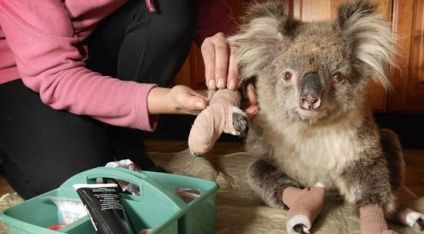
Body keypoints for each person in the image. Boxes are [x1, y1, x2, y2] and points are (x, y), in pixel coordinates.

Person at [0, 0, 258, 199]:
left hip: (92, 48)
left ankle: (124, 139)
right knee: (91, 191)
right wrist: (169, 100)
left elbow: (211, 17)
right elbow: (55, 76)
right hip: (25, 68)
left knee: (172, 8)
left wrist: (239, 62)